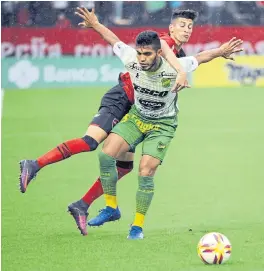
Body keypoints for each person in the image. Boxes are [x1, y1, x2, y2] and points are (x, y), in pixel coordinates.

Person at [19, 8, 243, 236]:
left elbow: (199, 58)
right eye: (182, 25)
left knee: (124, 166)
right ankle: (35, 164)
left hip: (141, 109)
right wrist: (96, 24)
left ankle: (86, 205)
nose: (187, 30)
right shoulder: (161, 44)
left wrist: (217, 52)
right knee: (92, 143)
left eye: (190, 27)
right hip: (123, 99)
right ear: (170, 28)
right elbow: (156, 47)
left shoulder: (177, 53)